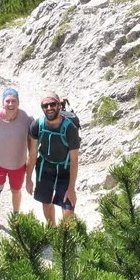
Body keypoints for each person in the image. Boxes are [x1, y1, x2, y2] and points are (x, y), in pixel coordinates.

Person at [27, 91, 80, 226]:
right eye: (45, 105)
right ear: (42, 108)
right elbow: (32, 154)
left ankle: (65, 238)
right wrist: (28, 179)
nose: (49, 108)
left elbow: (74, 160)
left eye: (52, 104)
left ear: (59, 106)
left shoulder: (70, 129)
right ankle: (53, 230)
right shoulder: (36, 125)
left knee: (68, 209)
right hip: (45, 168)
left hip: (65, 170)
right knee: (46, 202)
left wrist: (71, 188)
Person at [0, 88, 32, 227]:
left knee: (16, 191)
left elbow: (32, 142)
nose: (11, 104)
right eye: (8, 101)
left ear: (18, 102)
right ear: (2, 103)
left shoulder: (27, 119)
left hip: (18, 165)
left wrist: (31, 161)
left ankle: (16, 218)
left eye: (14, 101)